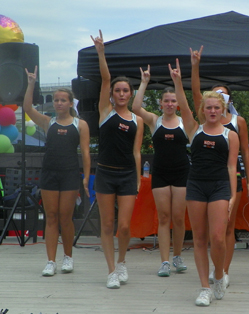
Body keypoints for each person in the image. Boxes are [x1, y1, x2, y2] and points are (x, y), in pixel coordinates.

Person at [169, 58, 239, 306]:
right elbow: (185, 104)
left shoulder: (231, 135)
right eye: (208, 108)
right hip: (196, 185)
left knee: (218, 238)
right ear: (203, 110)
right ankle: (204, 287)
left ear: (223, 110)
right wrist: (178, 81)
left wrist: (232, 196)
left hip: (220, 186)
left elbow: (232, 166)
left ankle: (219, 274)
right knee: (199, 238)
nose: (211, 111)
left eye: (215, 108)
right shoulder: (193, 128)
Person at [190, 46, 249, 287]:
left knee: (226, 230)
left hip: (229, 180)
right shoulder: (203, 118)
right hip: (202, 180)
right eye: (215, 95)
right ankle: (213, 277)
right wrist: (195, 66)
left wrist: (247, 180)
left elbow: (244, 153)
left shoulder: (237, 122)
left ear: (227, 100)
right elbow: (195, 93)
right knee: (206, 234)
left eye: (223, 96)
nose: (218, 100)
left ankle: (223, 272)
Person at [23, 66, 90, 276]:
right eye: (56, 100)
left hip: (70, 175)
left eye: (63, 100)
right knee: (50, 216)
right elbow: (26, 108)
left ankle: (67, 257)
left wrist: (86, 177)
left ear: (70, 103)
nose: (59, 103)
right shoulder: (47, 121)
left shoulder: (81, 124)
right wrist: (31, 83)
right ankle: (51, 261)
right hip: (49, 175)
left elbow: (86, 153)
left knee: (65, 217)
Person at [91, 30, 144, 289]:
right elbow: (105, 78)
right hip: (104, 173)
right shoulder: (105, 112)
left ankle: (122, 261)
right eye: (118, 91)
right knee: (107, 223)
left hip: (126, 176)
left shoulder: (138, 121)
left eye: (126, 91)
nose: (121, 94)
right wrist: (101, 52)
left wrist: (137, 179)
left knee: (124, 227)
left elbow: (137, 151)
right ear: (112, 95)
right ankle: (111, 270)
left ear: (131, 94)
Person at [131, 66, 189, 277]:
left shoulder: (185, 123)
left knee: (179, 218)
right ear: (161, 103)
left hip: (182, 173)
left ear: (178, 104)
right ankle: (164, 261)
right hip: (161, 173)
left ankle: (177, 256)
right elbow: (136, 108)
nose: (170, 104)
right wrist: (144, 82)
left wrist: (178, 83)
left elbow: (191, 105)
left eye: (174, 101)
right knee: (164, 218)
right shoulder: (155, 121)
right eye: (167, 101)